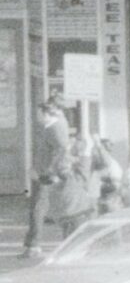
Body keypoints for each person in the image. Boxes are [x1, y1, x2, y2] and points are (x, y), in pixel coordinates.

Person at [21, 100, 70, 259]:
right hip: (45, 174)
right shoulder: (50, 127)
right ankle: (34, 244)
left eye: (39, 113)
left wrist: (46, 171)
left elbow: (61, 150)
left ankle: (34, 246)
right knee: (43, 208)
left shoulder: (55, 129)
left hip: (47, 177)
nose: (37, 116)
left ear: (47, 114)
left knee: (38, 209)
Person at [52, 137, 95, 238]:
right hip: (77, 213)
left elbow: (59, 164)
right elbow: (84, 163)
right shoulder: (77, 178)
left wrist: (65, 150)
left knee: (70, 238)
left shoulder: (68, 178)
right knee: (75, 239)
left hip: (70, 214)